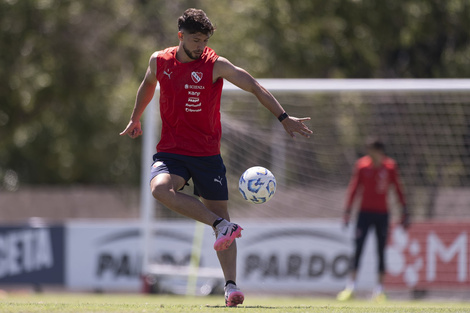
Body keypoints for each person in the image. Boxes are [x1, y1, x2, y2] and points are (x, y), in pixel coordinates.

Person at [120, 8, 312, 307]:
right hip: (171, 151)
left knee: (225, 221)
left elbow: (253, 85)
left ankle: (231, 286)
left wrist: (283, 117)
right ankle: (219, 226)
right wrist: (135, 118)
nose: (201, 46)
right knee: (160, 190)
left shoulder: (215, 64)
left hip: (208, 155)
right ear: (180, 36)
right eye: (196, 40)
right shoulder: (159, 60)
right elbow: (147, 85)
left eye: (205, 40)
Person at [337, 138, 409, 302]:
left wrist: (404, 210)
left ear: (379, 151)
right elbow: (354, 188)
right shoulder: (362, 166)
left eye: (372, 150)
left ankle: (379, 290)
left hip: (383, 215)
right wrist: (347, 211)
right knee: (358, 249)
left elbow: (398, 188)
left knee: (380, 251)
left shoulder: (390, 167)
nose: (370, 154)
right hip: (364, 214)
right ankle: (351, 288)